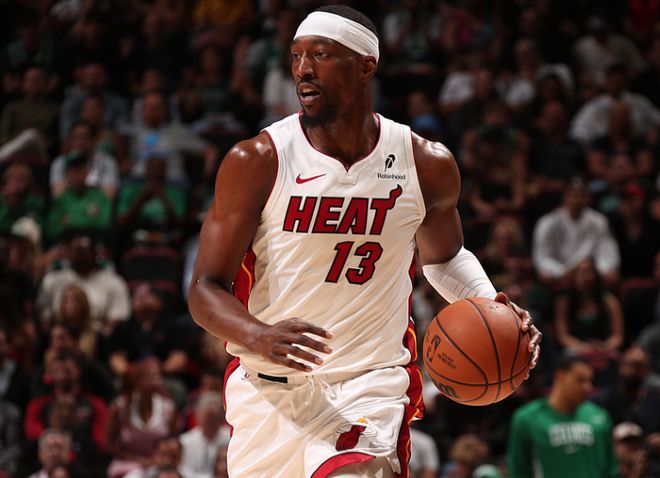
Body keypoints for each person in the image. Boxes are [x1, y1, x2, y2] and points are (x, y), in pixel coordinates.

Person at [188, 5, 541, 478]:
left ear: (365, 66)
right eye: (296, 56)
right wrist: (258, 335)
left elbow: (445, 257)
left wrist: (493, 306)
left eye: (320, 54)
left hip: (368, 385)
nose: (303, 69)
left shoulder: (424, 163)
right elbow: (205, 288)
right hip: (269, 387)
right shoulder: (257, 160)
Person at [507, 355, 619, 478]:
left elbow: (611, 470)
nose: (588, 387)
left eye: (590, 381)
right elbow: (518, 471)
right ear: (560, 377)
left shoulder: (601, 417)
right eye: (580, 380)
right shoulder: (526, 419)